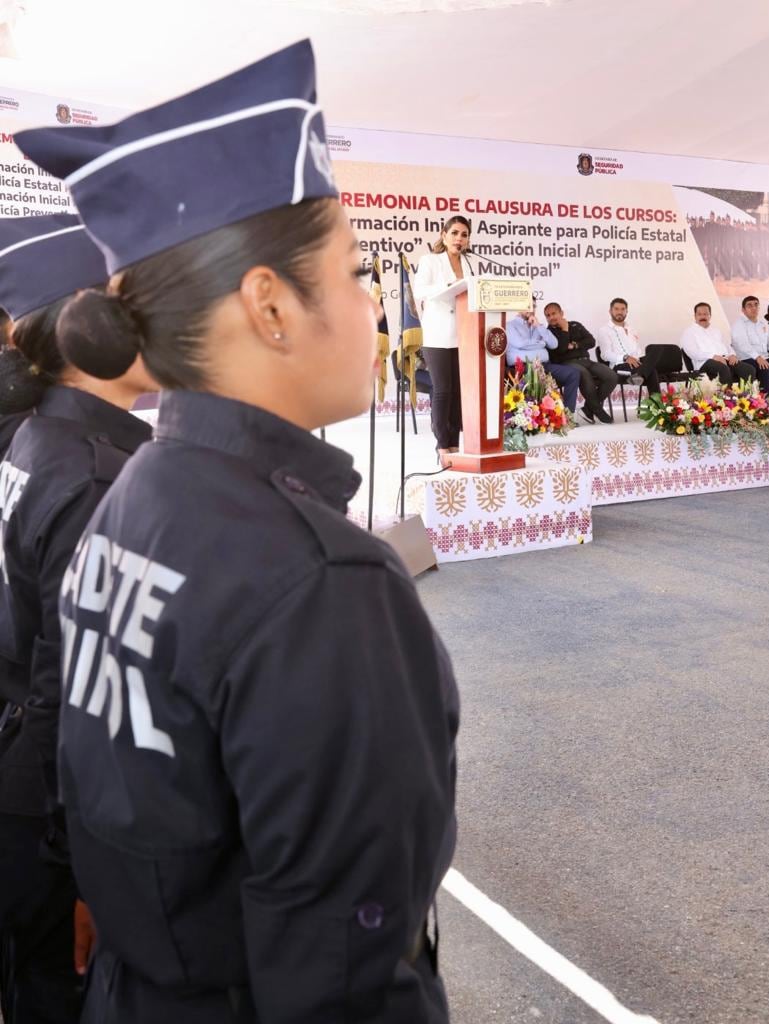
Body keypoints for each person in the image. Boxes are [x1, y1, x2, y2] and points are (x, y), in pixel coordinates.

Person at [18, 39, 458, 1024]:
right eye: (352, 271)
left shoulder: (134, 493)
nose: (370, 308)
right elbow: (345, 977)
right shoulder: (321, 580)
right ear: (269, 304)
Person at [0, 215, 154, 1024]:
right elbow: (78, 699)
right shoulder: (95, 478)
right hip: (48, 822)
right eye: (132, 303)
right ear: (84, 324)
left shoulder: (37, 439)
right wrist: (85, 875)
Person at [413, 216, 473, 466]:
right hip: (437, 334)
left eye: (464, 234)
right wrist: (447, 284)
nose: (459, 238)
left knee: (459, 392)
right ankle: (442, 445)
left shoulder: (468, 263)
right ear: (444, 234)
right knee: (443, 390)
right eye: (455, 233)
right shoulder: (430, 261)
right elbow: (420, 290)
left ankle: (455, 442)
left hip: (463, 333)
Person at [543, 302, 616, 423]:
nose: (551, 317)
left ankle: (588, 409)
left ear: (561, 313)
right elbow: (560, 350)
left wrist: (575, 344)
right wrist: (565, 330)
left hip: (586, 361)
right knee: (583, 373)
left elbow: (591, 341)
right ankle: (598, 410)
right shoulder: (548, 333)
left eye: (553, 313)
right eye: (548, 315)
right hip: (566, 364)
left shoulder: (576, 325)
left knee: (611, 376)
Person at [504, 302, 580, 412]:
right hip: (523, 367)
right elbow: (520, 344)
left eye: (533, 306)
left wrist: (538, 326)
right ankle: (538, 416)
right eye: (527, 305)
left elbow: (554, 344)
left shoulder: (539, 326)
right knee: (537, 376)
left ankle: (568, 415)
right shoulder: (510, 325)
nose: (531, 309)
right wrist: (541, 344)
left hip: (543, 365)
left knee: (573, 373)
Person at [596, 297, 665, 398]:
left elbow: (637, 351)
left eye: (623, 309)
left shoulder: (632, 329)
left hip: (637, 365)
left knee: (657, 350)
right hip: (619, 367)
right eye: (616, 309)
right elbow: (605, 355)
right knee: (652, 372)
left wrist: (643, 360)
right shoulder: (604, 330)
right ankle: (658, 409)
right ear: (610, 311)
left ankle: (640, 375)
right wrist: (625, 358)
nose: (620, 312)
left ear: (626, 311)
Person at [730, 295, 769, 411]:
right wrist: (758, 357)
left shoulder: (763, 324)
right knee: (765, 367)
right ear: (743, 310)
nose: (753, 308)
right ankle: (766, 405)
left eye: (756, 305)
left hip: (764, 357)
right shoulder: (739, 324)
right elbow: (743, 345)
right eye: (749, 305)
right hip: (746, 358)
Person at [679, 302, 751, 385]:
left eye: (705, 314)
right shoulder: (689, 332)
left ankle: (745, 395)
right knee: (723, 368)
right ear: (695, 316)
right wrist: (713, 356)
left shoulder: (716, 330)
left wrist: (732, 355)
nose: (703, 317)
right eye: (699, 314)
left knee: (748, 369)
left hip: (724, 359)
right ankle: (728, 396)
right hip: (704, 362)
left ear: (710, 315)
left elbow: (727, 346)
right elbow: (693, 353)